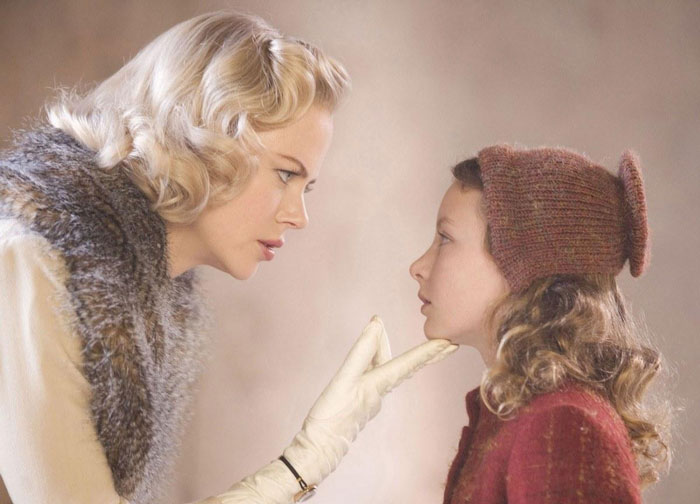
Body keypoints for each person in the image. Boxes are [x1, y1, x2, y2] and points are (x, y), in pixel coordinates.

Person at [0, 11, 458, 504]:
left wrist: (306, 461)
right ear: (201, 134)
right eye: (286, 174)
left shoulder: (137, 294)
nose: (299, 216)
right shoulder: (29, 259)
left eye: (307, 186)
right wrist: (304, 461)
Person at [409, 145, 673, 503]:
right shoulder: (521, 414)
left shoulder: (562, 425)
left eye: (445, 239)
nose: (418, 267)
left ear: (525, 264)